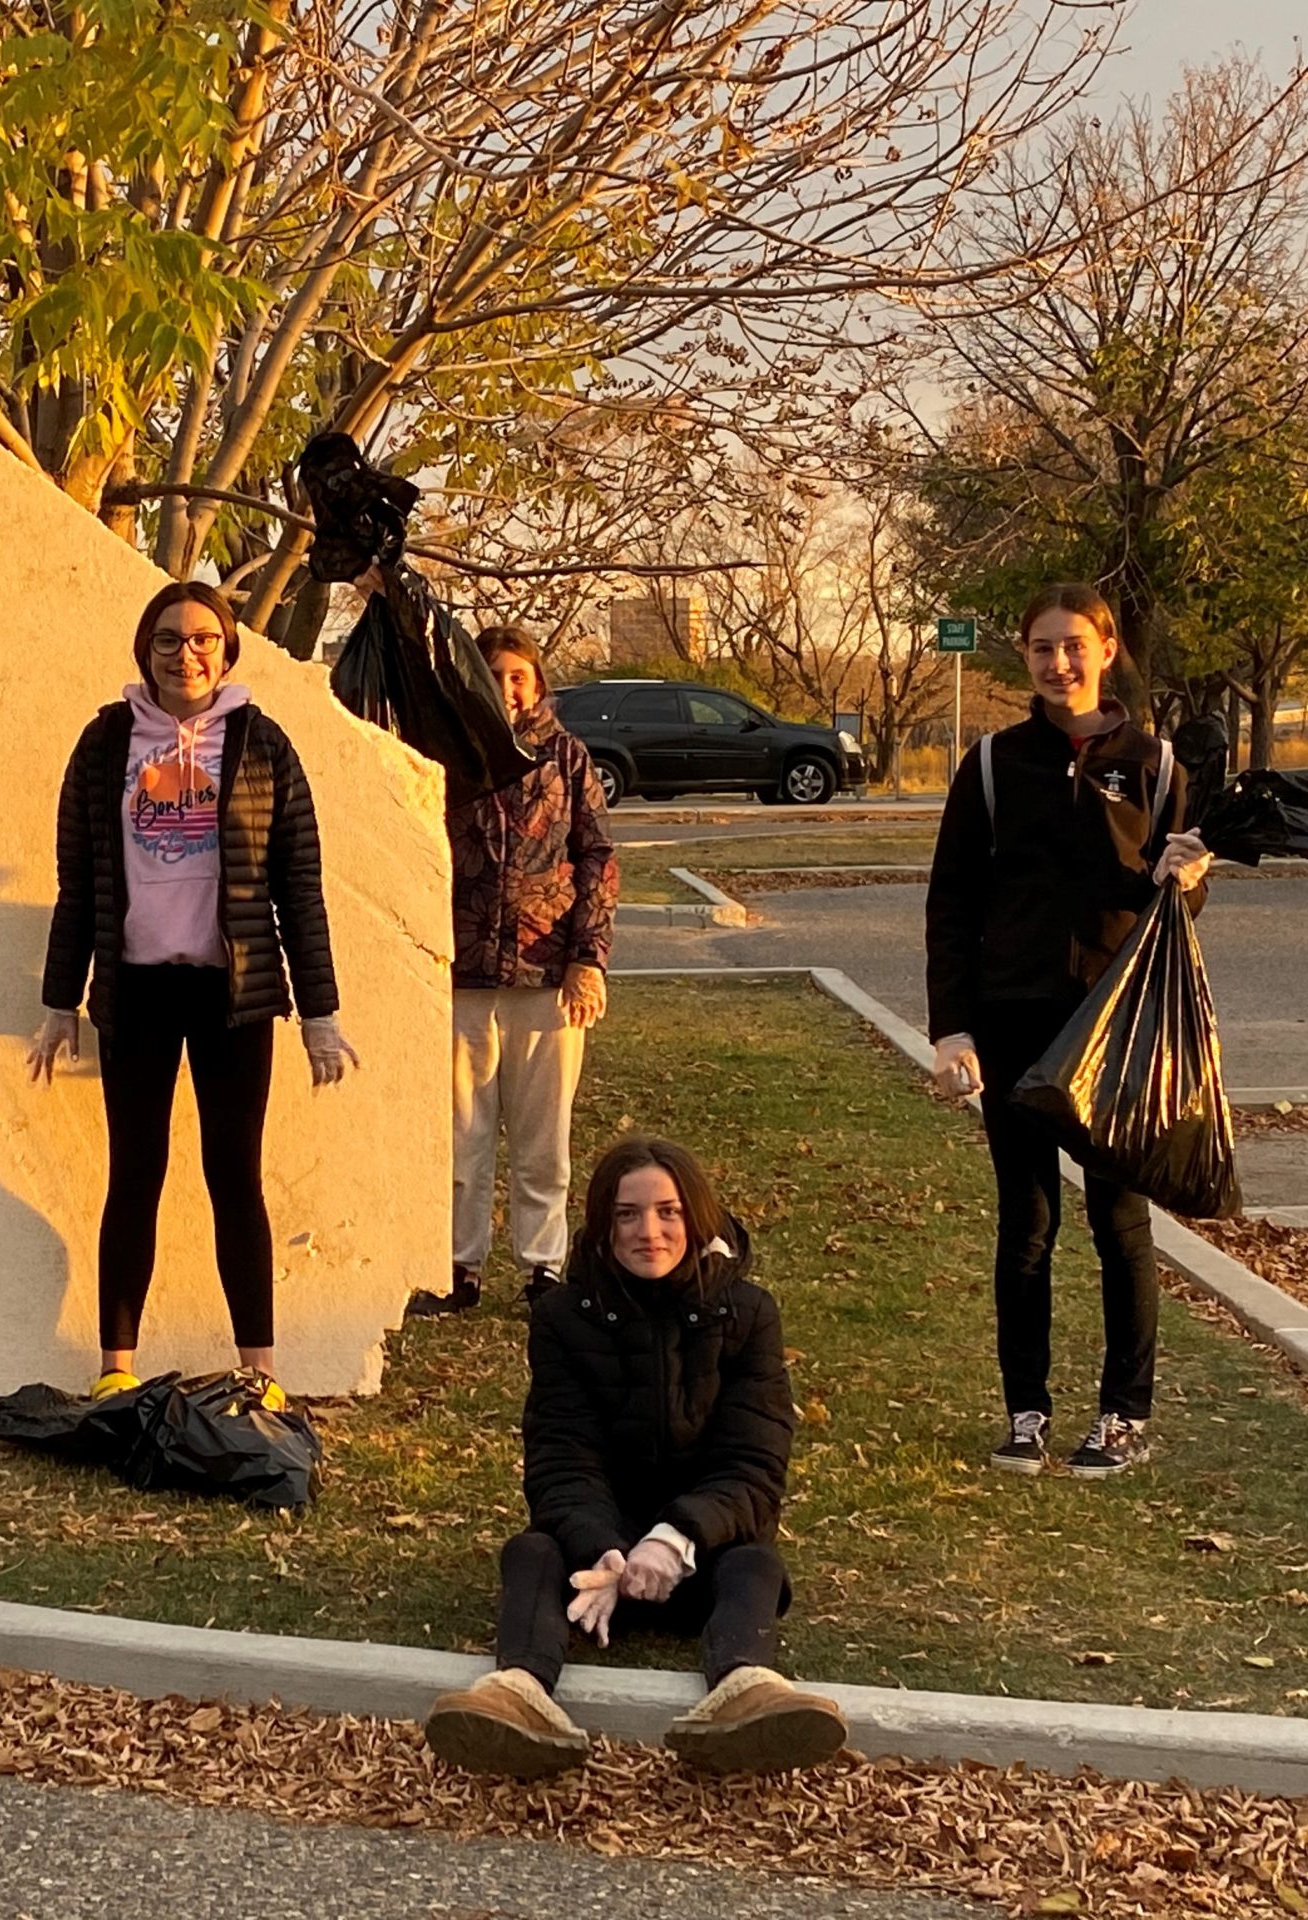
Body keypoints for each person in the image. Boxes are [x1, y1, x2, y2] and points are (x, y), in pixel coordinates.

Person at [27, 579, 357, 1406]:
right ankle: (114, 1367)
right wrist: (58, 1002)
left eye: (204, 637)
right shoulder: (106, 744)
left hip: (233, 997)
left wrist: (319, 1013)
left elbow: (299, 885)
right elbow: (79, 885)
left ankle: (263, 1372)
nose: (187, 653)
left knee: (233, 1177)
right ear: (147, 649)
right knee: (133, 1174)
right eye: (170, 639)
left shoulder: (264, 746)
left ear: (228, 649)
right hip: (135, 994)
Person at [423, 1135, 847, 1777]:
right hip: (596, 1566)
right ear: (602, 1224)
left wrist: (674, 1538)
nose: (648, 1231)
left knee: (756, 1563)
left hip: (701, 1551)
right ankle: (519, 1696)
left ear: (696, 1217)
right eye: (627, 1214)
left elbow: (753, 1466)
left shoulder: (749, 1313)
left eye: (668, 1211)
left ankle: (747, 1690)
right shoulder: (563, 1319)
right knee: (532, 1552)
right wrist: (606, 1551)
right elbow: (560, 1461)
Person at [924, 581, 1212, 1479]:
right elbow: (952, 904)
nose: (1059, 663)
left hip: (1115, 1028)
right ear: (1025, 656)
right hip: (1013, 1021)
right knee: (1028, 1221)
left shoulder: (1157, 767)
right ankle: (1026, 1410)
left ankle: (1123, 1416)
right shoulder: (989, 765)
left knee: (1118, 1218)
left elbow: (1180, 901)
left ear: (1107, 647)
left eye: (1074, 646)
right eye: (1043, 648)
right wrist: (953, 1029)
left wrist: (1188, 875)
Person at [407, 626, 617, 1319]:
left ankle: (544, 1269)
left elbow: (598, 860)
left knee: (541, 1140)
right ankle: (458, 1269)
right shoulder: (444, 752)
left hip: (545, 976)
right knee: (462, 1138)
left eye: (518, 675)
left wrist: (588, 959)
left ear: (538, 682)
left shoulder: (566, 757)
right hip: (462, 973)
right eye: (491, 673)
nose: (505, 686)